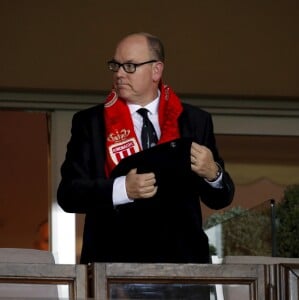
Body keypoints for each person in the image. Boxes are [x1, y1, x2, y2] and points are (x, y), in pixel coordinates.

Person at [57, 32, 235, 266]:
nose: (119, 73)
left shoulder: (194, 120)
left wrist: (213, 173)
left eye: (130, 66)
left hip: (182, 267)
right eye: (115, 65)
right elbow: (68, 194)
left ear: (156, 70)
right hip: (113, 266)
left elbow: (220, 198)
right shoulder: (91, 122)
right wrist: (122, 189)